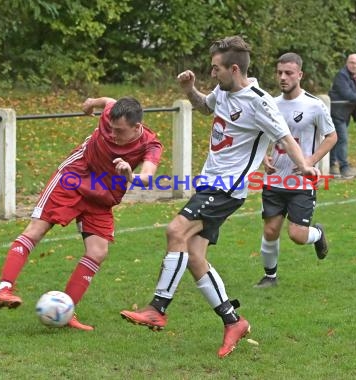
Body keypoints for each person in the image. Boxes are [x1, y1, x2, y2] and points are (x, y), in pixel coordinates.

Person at [119, 36, 317, 358]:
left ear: (234, 68)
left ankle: (158, 307)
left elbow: (284, 136)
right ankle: (233, 321)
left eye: (216, 69)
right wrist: (189, 90)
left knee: (175, 231)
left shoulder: (259, 102)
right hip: (208, 183)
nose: (212, 74)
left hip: (226, 188)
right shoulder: (223, 91)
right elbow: (204, 107)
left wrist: (304, 166)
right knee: (195, 256)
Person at [0, 96, 163, 331]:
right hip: (74, 177)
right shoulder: (111, 113)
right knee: (36, 230)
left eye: (119, 131)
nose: (113, 135)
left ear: (136, 127)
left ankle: (66, 311)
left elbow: (148, 178)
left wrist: (130, 176)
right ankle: (4, 290)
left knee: (98, 251)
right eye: (111, 129)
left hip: (103, 193)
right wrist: (90, 102)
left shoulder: (150, 145)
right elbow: (107, 100)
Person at [254, 53, 337, 288]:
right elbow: (262, 136)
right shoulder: (271, 103)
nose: (283, 77)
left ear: (300, 75)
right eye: (279, 72)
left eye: (288, 73)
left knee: (297, 235)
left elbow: (331, 137)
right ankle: (270, 277)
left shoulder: (314, 105)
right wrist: (264, 156)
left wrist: (309, 161)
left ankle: (318, 234)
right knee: (270, 231)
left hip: (301, 182)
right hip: (275, 180)